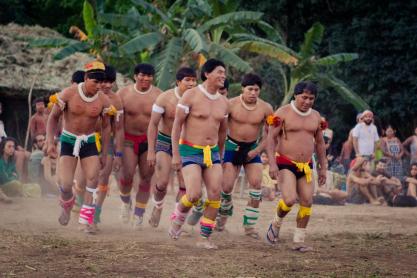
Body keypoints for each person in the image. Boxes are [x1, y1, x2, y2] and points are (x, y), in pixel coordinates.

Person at [46, 61, 112, 233]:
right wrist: (49, 141)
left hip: (89, 141)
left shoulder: (104, 100)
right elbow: (53, 118)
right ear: (85, 78)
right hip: (68, 140)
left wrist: (104, 153)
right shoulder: (69, 93)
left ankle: (85, 221)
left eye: (101, 82)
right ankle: (67, 204)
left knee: (93, 179)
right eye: (95, 82)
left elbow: (106, 127)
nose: (98, 86)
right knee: (66, 185)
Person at [169, 59, 228, 249]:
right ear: (207, 74)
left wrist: (220, 155)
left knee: (215, 194)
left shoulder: (224, 102)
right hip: (189, 150)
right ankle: (177, 218)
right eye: (219, 72)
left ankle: (204, 238)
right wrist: (176, 154)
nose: (223, 76)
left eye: (224, 73)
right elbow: (176, 125)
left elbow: (222, 132)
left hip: (212, 154)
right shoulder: (190, 96)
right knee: (193, 194)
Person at [265, 81, 327, 252]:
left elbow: (320, 144)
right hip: (285, 162)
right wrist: (272, 163)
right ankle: (276, 223)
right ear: (296, 95)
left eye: (311, 98)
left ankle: (299, 241)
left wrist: (323, 167)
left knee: (307, 201)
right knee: (290, 199)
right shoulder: (283, 112)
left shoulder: (316, 116)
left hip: (306, 165)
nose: (307, 101)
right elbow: (270, 139)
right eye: (304, 97)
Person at [217, 73, 273, 238]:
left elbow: (271, 135)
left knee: (256, 187)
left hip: (252, 148)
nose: (253, 93)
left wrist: (257, 151)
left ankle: (249, 226)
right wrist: (219, 152)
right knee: (226, 188)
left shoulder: (266, 108)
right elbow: (220, 129)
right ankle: (221, 222)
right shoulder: (230, 104)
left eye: (256, 90)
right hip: (231, 146)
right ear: (243, 88)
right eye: (250, 89)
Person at [147, 67, 197, 228]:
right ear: (178, 82)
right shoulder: (165, 98)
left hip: (186, 144)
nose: (191, 83)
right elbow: (153, 124)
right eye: (187, 80)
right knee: (161, 182)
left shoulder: (198, 99)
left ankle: (176, 218)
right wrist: (150, 151)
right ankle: (157, 206)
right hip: (165, 141)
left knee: (185, 185)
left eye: (194, 80)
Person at [117, 63, 163, 228]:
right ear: (135, 76)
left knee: (146, 177)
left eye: (149, 76)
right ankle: (125, 201)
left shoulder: (159, 95)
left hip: (149, 141)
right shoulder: (123, 94)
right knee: (128, 174)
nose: (145, 79)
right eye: (142, 75)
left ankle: (138, 214)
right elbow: (116, 122)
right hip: (128, 139)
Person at [93, 65, 124, 229]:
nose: (106, 85)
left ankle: (95, 213)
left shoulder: (116, 100)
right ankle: (83, 207)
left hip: (107, 143)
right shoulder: (88, 95)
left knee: (103, 177)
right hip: (88, 140)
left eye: (110, 82)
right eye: (103, 81)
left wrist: (119, 153)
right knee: (88, 178)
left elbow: (119, 129)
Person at [0, 137, 20, 203]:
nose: (12, 149)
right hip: (2, 185)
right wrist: (12, 176)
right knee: (16, 184)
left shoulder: (11, 161)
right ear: (3, 148)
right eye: (9, 146)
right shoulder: (0, 161)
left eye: (13, 147)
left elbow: (17, 176)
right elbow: (4, 179)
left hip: (9, 185)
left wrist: (11, 176)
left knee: (36, 187)